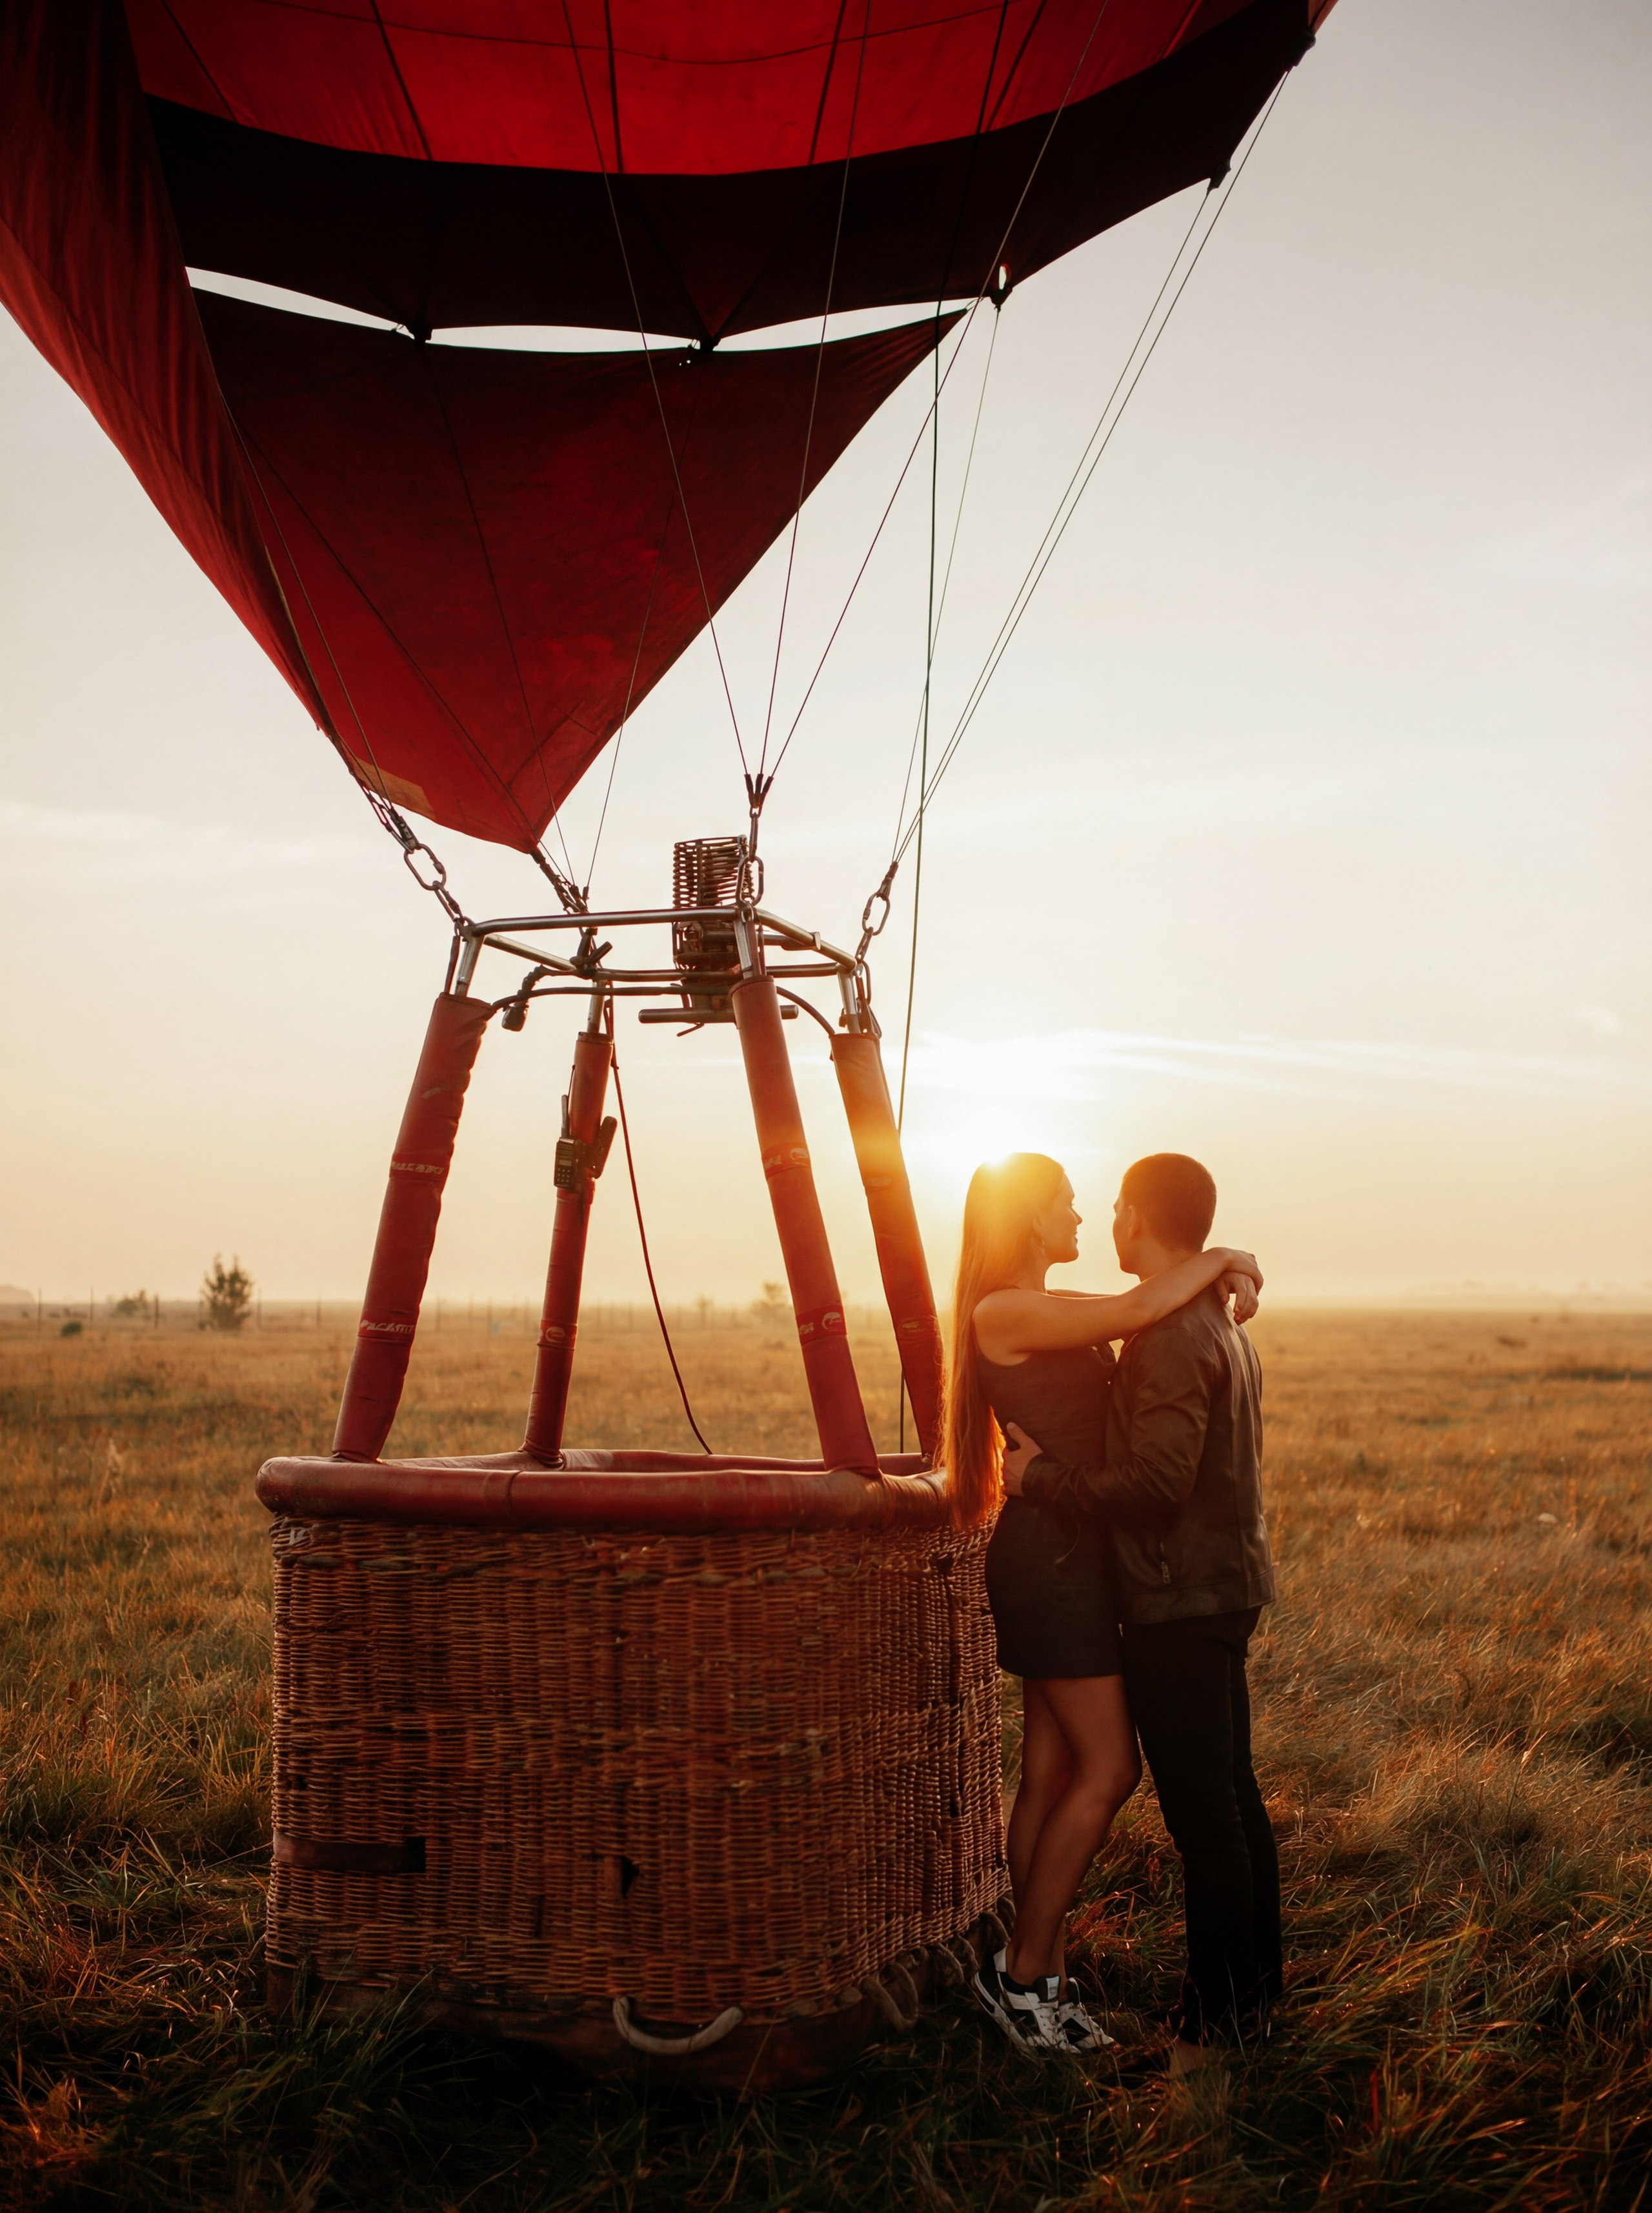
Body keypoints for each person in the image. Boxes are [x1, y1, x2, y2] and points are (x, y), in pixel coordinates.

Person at [944, 1153, 1262, 2057]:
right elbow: (1136, 1308)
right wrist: (1228, 1252)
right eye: (1066, 1204)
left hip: (1072, 1558)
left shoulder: (1046, 1304)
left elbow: (1143, 1302)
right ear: (1027, 1219)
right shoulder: (1002, 1308)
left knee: (1050, 1774)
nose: (1082, 1216)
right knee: (1110, 1769)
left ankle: (1029, 1972)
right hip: (1052, 1563)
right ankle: (1024, 1977)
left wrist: (1227, 1266)